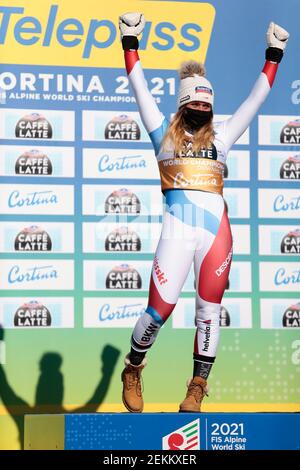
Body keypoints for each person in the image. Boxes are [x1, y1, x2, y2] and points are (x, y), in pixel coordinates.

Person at [119, 13, 289, 413]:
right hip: (176, 234)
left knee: (209, 311)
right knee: (158, 311)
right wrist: (129, 41)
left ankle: (197, 385)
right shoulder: (161, 131)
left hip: (217, 235)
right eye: (195, 102)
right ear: (183, 105)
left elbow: (256, 99)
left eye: (206, 103)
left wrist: (274, 54)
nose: (201, 107)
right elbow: (139, 87)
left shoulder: (225, 134)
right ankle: (134, 367)